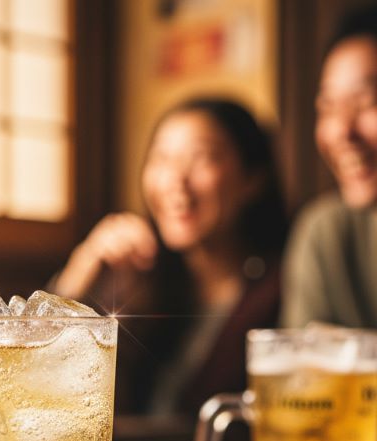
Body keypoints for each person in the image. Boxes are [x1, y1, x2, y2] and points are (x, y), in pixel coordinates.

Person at [55, 97, 287, 417]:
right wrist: (80, 273)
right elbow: (52, 388)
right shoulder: (142, 279)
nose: (175, 180)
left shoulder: (280, 289)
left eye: (201, 158)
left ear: (253, 178)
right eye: (162, 158)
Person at [282, 6, 377, 328]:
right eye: (329, 107)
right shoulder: (325, 232)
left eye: (367, 102)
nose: (342, 131)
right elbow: (306, 353)